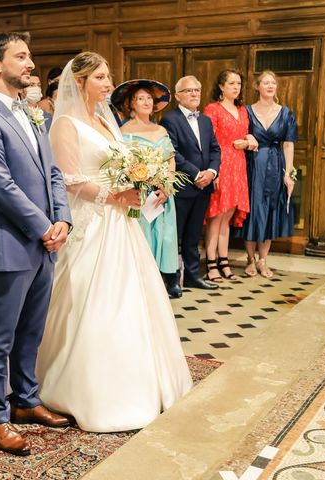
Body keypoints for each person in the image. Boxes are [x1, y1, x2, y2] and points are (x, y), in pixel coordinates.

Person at [36, 53, 193, 433]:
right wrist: (115, 197)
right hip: (91, 225)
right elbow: (70, 180)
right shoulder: (66, 124)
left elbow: (121, 165)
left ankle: (144, 382)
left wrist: (141, 182)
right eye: (101, 78)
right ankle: (77, 387)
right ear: (81, 82)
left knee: (134, 300)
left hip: (123, 223)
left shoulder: (108, 121)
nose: (108, 84)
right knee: (91, 302)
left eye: (109, 77)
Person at [0, 32, 72, 456]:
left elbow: (54, 173)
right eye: (21, 56)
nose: (30, 64)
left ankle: (26, 400)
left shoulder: (30, 112)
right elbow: (1, 187)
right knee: (1, 334)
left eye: (29, 56)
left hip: (45, 242)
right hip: (11, 243)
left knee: (32, 330)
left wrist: (62, 219)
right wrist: (44, 226)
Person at [114, 78, 182, 298]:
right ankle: (141, 280)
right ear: (131, 103)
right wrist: (142, 180)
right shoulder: (123, 132)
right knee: (143, 235)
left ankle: (168, 278)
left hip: (162, 194)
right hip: (140, 194)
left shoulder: (161, 129)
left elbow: (170, 159)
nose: (146, 102)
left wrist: (167, 183)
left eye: (149, 99)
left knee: (166, 236)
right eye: (140, 98)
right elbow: (123, 162)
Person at [160, 75, 221, 291]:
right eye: (189, 90)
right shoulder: (170, 120)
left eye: (197, 90)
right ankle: (172, 279)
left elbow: (215, 148)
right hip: (182, 186)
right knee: (174, 235)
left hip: (204, 188)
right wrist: (197, 174)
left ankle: (194, 275)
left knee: (194, 235)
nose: (195, 93)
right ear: (177, 96)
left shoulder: (205, 120)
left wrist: (212, 172)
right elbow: (172, 153)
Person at [240, 70, 297, 278]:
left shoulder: (286, 113)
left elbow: (289, 144)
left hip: (275, 163)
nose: (270, 86)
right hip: (251, 165)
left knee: (270, 209)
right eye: (266, 83)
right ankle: (250, 259)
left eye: (273, 83)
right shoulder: (246, 111)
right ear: (257, 87)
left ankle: (263, 260)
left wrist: (288, 173)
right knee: (252, 211)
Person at [203, 69, 254, 282]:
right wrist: (212, 171)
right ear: (221, 86)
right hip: (220, 163)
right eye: (231, 83)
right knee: (216, 215)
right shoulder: (212, 109)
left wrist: (248, 141)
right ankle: (211, 263)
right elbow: (207, 141)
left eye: (238, 84)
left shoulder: (242, 110)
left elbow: (248, 135)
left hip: (238, 164)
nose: (236, 87)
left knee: (227, 217)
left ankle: (224, 262)